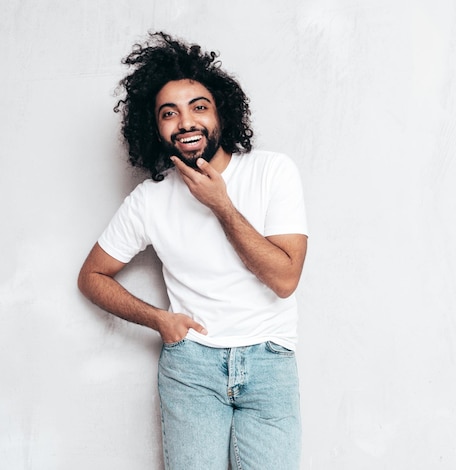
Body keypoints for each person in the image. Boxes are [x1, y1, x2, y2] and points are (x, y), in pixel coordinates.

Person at [77, 31, 308, 470]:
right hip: (192, 367)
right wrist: (159, 319)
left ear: (221, 113)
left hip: (270, 361)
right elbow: (91, 276)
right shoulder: (150, 198)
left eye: (198, 107)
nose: (185, 122)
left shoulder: (272, 172)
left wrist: (221, 205)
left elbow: (284, 280)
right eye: (170, 113)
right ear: (155, 127)